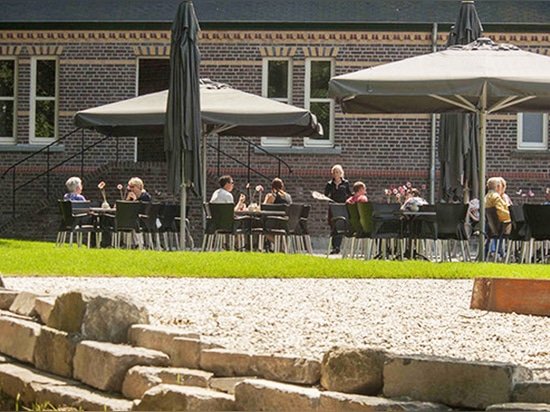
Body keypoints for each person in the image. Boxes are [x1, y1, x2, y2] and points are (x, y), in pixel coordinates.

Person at [324, 164, 352, 254]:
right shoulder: (329, 184)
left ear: (341, 173)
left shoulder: (345, 183)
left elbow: (349, 194)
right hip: (333, 207)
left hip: (342, 206)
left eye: (338, 172)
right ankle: (334, 247)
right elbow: (325, 195)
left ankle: (338, 247)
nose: (336, 174)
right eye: (334, 172)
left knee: (340, 225)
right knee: (333, 226)